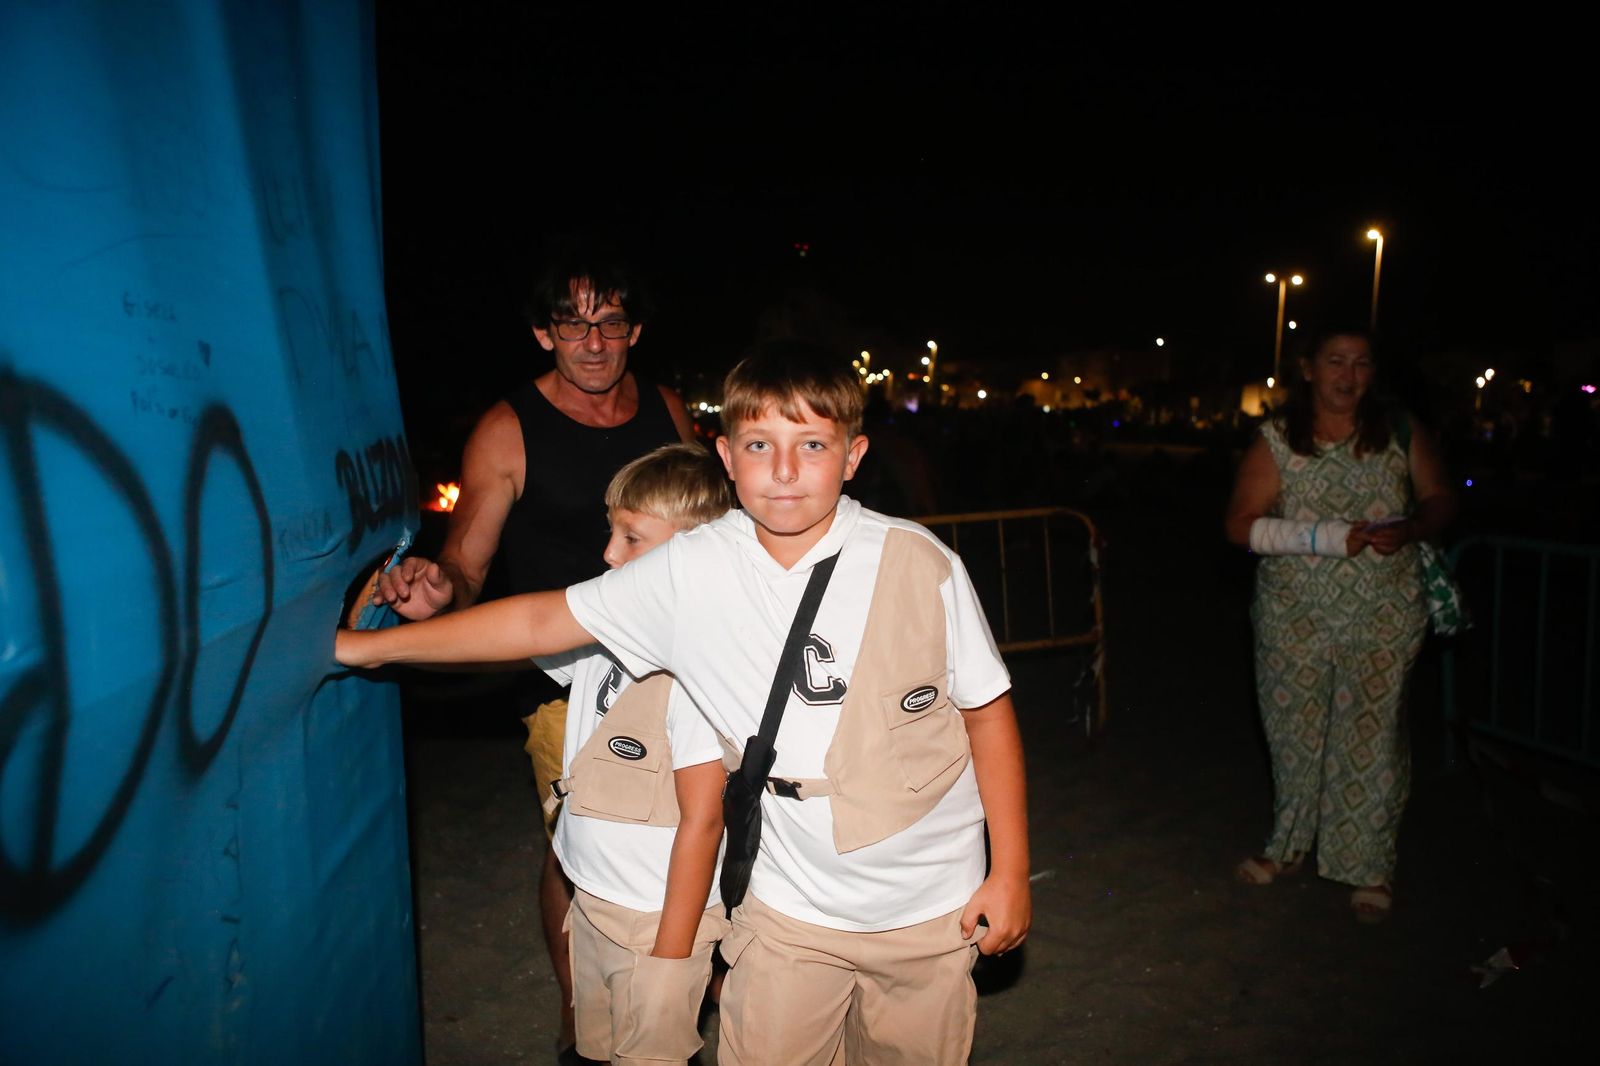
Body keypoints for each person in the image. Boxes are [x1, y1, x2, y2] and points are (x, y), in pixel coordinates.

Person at [339, 345, 1031, 1065]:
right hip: (787, 908)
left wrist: (1008, 871)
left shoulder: (921, 562)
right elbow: (541, 622)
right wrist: (363, 650)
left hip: (926, 904)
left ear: (852, 456)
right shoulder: (692, 567)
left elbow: (986, 711)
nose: (785, 470)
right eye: (761, 445)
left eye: (812, 445)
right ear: (727, 456)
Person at [371, 247, 693, 1058]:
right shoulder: (507, 428)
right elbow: (466, 563)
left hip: (681, 668)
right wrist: (437, 591)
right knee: (581, 841)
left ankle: (687, 983)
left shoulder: (670, 410)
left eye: (609, 321)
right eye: (572, 323)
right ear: (544, 334)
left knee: (689, 825)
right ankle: (581, 1007)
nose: (592, 341)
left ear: (635, 329)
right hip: (565, 680)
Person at [1224, 330, 1457, 923]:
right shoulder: (1276, 440)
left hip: (1384, 612)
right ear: (1309, 369)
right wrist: (1320, 538)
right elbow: (1239, 526)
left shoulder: (1399, 431)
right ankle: (1289, 846)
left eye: (1360, 363)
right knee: (1293, 734)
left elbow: (1439, 499)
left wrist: (1410, 529)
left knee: (1371, 736)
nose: (1348, 375)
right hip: (1292, 616)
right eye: (1335, 361)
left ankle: (1370, 865)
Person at [538, 443, 731, 1065]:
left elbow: (704, 818)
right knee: (601, 1049)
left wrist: (671, 960)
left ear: (691, 553)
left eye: (631, 538)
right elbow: (519, 636)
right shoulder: (605, 625)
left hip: (658, 925)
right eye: (610, 531)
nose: (608, 553)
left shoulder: (697, 668)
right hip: (592, 898)